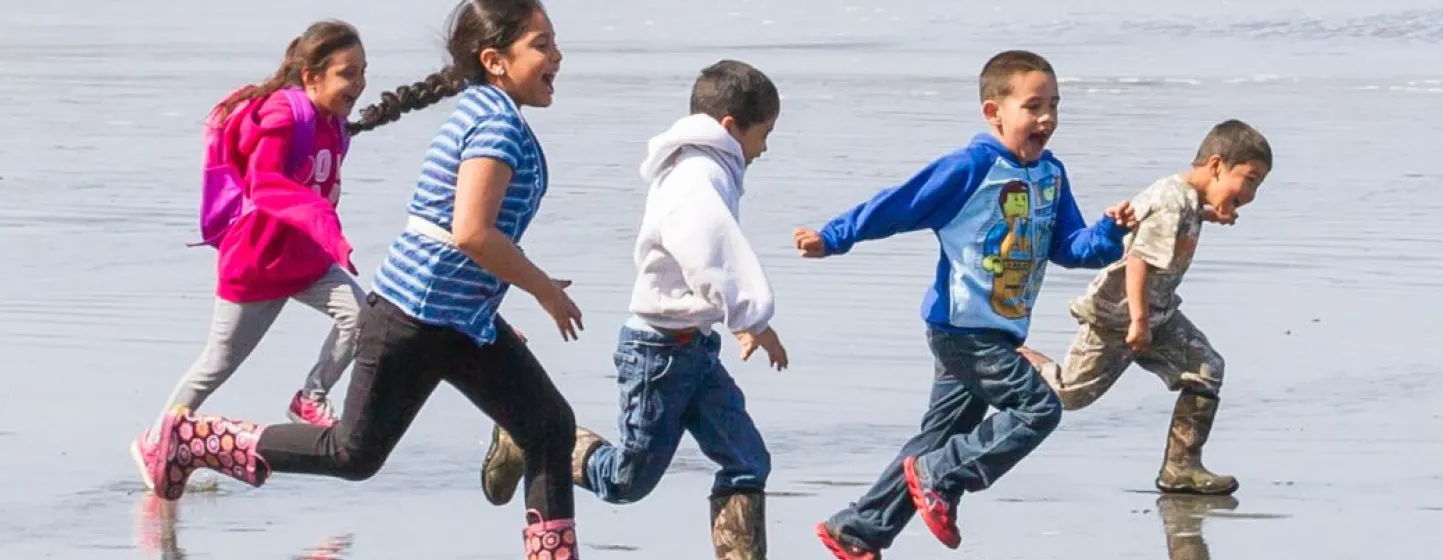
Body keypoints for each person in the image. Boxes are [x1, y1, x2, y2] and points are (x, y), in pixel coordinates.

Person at [132, 1, 587, 556]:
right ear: (494, 59)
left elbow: (453, 240)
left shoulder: (490, 112)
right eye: (542, 45)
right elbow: (470, 232)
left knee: (548, 426)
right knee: (353, 455)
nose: (557, 56)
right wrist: (540, 287)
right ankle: (194, 441)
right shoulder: (494, 123)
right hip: (413, 320)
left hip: (458, 321)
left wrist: (488, 311)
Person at [793, 49, 1137, 559]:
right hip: (962, 329)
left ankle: (859, 528)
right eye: (1033, 105)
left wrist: (1110, 233)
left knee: (943, 433)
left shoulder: (1051, 175)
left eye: (1055, 106)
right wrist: (832, 237)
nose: (1047, 118)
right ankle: (941, 477)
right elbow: (896, 205)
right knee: (1038, 408)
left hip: (999, 332)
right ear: (993, 112)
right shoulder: (970, 168)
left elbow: (1069, 247)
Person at [480, 59, 788, 560]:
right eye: (764, 134)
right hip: (659, 352)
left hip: (695, 349)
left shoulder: (708, 167)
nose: (765, 148)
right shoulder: (698, 174)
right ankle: (528, 438)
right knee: (625, 481)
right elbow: (707, 249)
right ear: (731, 127)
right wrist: (752, 318)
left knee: (748, 461)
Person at [137, 20, 369, 461]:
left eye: (362, 72)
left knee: (361, 318)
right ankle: (156, 441)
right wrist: (326, 225)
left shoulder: (333, 125)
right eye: (348, 73)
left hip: (306, 262)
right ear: (312, 76)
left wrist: (324, 237)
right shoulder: (283, 116)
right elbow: (265, 184)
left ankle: (310, 396)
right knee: (216, 366)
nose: (359, 84)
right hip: (257, 265)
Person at [1018, 119, 1273, 496]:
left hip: (1158, 312)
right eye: (1249, 179)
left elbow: (1172, 219)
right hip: (1119, 316)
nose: (1251, 193)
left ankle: (1180, 467)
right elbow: (1138, 260)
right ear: (1216, 165)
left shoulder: (1185, 200)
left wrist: (1208, 215)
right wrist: (1138, 320)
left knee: (1206, 368)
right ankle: (1016, 358)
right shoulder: (1172, 201)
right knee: (1070, 394)